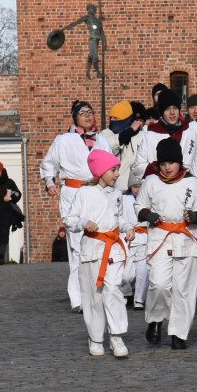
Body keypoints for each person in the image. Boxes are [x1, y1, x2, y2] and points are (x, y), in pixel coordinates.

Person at [135, 138, 197, 350]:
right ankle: (155, 320)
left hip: (186, 238)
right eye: (163, 163)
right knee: (159, 284)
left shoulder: (192, 183)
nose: (167, 167)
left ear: (180, 162)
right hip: (161, 236)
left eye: (172, 162)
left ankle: (179, 333)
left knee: (183, 290)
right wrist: (147, 214)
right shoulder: (151, 182)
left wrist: (194, 215)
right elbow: (139, 204)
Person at [40, 100, 112, 312]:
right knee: (77, 246)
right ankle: (78, 297)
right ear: (75, 117)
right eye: (83, 113)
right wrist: (50, 182)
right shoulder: (64, 140)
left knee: (98, 242)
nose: (87, 116)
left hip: (97, 194)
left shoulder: (103, 140)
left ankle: (99, 292)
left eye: (90, 112)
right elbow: (48, 164)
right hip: (73, 193)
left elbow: (111, 166)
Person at [63, 150, 134, 357]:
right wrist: (85, 222)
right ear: (101, 171)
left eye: (118, 169)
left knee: (113, 290)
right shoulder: (84, 193)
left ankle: (116, 336)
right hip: (92, 250)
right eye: (113, 170)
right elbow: (70, 219)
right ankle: (95, 337)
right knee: (93, 296)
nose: (117, 174)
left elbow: (118, 218)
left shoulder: (117, 194)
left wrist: (127, 227)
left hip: (113, 249)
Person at [101, 101, 146, 193]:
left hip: (135, 190)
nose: (112, 120)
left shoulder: (141, 137)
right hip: (112, 190)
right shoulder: (105, 134)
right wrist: (129, 131)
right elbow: (110, 145)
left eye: (116, 118)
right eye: (111, 118)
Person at [121, 168, 149, 311]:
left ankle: (139, 299)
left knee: (143, 272)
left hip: (144, 239)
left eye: (140, 187)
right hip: (128, 239)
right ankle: (126, 292)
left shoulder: (149, 200)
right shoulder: (124, 200)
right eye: (135, 187)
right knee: (126, 274)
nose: (138, 190)